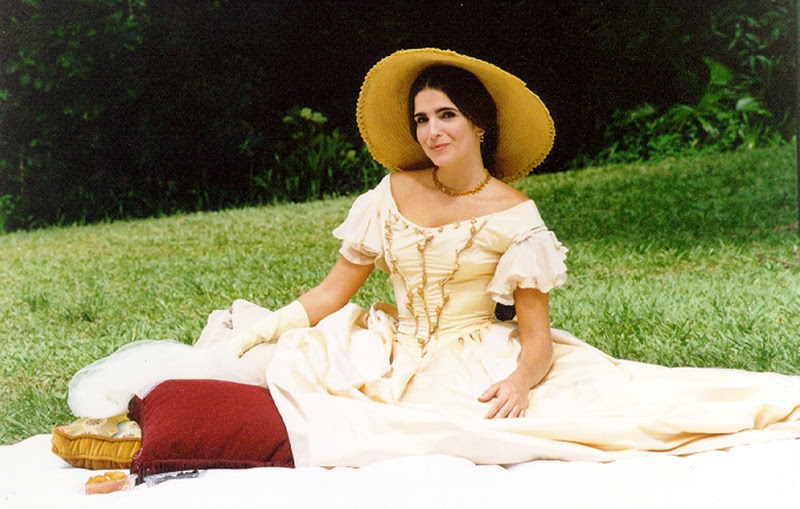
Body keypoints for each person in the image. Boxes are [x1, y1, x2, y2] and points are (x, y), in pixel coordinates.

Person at [69, 48, 800, 468]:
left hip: (470, 356)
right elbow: (331, 293)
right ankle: (141, 428)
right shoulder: (390, 192)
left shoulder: (516, 217)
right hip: (386, 340)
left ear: (478, 123)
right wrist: (258, 331)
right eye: (422, 118)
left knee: (557, 419)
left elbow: (537, 338)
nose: (432, 131)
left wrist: (519, 381)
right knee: (264, 361)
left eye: (446, 114)